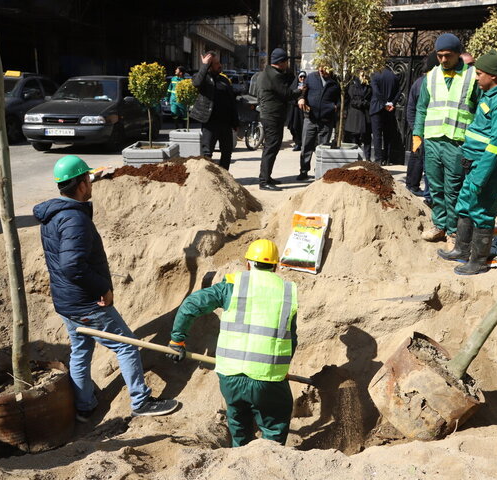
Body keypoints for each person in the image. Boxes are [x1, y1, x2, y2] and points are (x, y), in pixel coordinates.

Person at [33, 155, 178, 422]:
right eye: (88, 179)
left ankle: (85, 406)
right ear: (80, 184)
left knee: (81, 349)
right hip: (85, 302)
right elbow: (71, 265)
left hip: (66, 301)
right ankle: (141, 402)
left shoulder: (52, 215)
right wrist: (102, 289)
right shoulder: (74, 219)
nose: (91, 183)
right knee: (127, 346)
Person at [167, 239, 298, 447]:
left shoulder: (232, 285)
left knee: (239, 424)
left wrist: (177, 340)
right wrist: (281, 369)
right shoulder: (287, 292)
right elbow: (291, 337)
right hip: (269, 380)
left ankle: (239, 457)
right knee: (274, 427)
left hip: (230, 376)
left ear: (248, 263)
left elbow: (191, 305)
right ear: (276, 265)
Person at [440, 51, 497, 275]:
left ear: (493, 75)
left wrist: (481, 175)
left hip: (487, 166)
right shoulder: (491, 92)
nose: (476, 78)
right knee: (465, 203)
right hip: (474, 161)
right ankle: (462, 250)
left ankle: (477, 261)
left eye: (479, 73)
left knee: (482, 210)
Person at [413, 33, 479, 247]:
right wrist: (417, 134)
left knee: (454, 189)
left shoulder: (471, 77)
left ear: (458, 54)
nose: (442, 60)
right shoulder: (431, 77)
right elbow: (422, 108)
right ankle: (439, 225)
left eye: (447, 56)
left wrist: (475, 142)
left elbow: (478, 111)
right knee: (435, 187)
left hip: (457, 143)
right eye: (439, 55)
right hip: (433, 141)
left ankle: (453, 232)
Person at [257, 48, 303, 191]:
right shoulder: (275, 76)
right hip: (272, 117)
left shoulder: (267, 73)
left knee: (272, 147)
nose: (287, 64)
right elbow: (287, 94)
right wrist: (301, 91)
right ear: (282, 62)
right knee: (271, 147)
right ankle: (264, 181)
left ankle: (267, 176)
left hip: (269, 115)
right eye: (286, 61)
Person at [191, 51, 239, 170]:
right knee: (207, 154)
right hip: (210, 123)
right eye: (217, 63)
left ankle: (224, 177)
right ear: (210, 66)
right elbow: (196, 83)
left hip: (226, 124)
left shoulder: (224, 80)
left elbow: (232, 102)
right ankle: (209, 179)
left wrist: (235, 122)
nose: (220, 65)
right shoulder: (204, 79)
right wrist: (204, 65)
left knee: (227, 152)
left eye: (219, 63)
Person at [297, 65, 341, 180]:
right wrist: (301, 98)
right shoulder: (311, 78)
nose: (321, 70)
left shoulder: (335, 81)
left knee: (323, 147)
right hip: (310, 118)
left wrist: (335, 107)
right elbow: (302, 92)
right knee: (306, 145)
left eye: (324, 67)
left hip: (326, 120)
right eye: (319, 67)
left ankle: (321, 172)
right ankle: (304, 170)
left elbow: (341, 99)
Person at [406, 54, 439, 198]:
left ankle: (412, 185)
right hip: (427, 129)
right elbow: (416, 107)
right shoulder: (428, 84)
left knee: (417, 156)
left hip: (420, 127)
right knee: (422, 160)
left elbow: (410, 107)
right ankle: (417, 188)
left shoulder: (417, 82)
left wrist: (414, 126)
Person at [369, 66, 401, 166]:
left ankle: (378, 159)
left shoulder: (375, 75)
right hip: (389, 110)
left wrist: (384, 103)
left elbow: (376, 92)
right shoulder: (394, 77)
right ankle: (387, 159)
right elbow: (399, 92)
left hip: (377, 109)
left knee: (377, 135)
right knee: (387, 135)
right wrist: (392, 103)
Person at [344, 72, 372, 161]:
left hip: (365, 116)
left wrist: (366, 103)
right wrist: (362, 103)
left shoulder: (368, 87)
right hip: (355, 116)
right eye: (362, 75)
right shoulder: (353, 87)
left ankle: (367, 158)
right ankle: (355, 158)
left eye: (365, 75)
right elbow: (352, 100)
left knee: (367, 138)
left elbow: (371, 99)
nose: (364, 77)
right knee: (354, 138)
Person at [286, 71, 307, 151]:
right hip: (295, 111)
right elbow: (289, 97)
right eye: (301, 77)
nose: (302, 79)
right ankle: (297, 143)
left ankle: (303, 143)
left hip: (304, 111)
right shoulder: (294, 86)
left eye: (304, 77)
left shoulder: (308, 86)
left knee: (304, 127)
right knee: (295, 126)